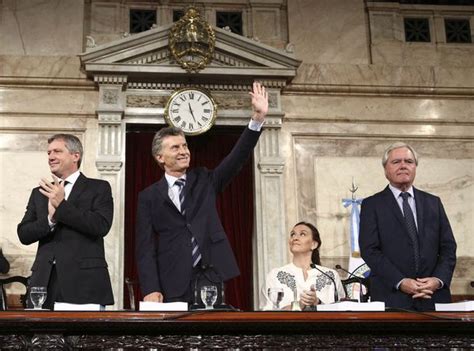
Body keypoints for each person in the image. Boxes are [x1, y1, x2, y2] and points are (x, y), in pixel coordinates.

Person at [136, 82, 268, 304]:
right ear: (160, 157)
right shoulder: (148, 196)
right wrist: (150, 288)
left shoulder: (205, 180)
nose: (183, 151)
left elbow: (237, 158)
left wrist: (257, 118)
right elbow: (144, 247)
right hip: (171, 278)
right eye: (175, 148)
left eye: (185, 146)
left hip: (210, 274)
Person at [17, 134, 114, 309]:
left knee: (86, 337)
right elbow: (24, 234)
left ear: (75, 156)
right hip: (44, 283)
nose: (51, 157)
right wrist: (50, 220)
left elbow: (100, 225)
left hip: (84, 284)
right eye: (48, 153)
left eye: (57, 151)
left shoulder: (99, 187)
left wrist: (61, 207)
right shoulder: (39, 193)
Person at [359, 142, 457, 311]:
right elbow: (370, 251)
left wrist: (437, 280)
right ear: (385, 170)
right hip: (392, 299)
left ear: (415, 167)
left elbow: (448, 248)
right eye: (396, 162)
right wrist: (401, 282)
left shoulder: (433, 203)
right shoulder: (372, 205)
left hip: (433, 299)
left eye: (409, 161)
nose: (403, 165)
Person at [260, 222, 345, 310]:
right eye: (292, 234)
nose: (295, 238)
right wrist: (298, 306)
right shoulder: (275, 275)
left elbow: (341, 310)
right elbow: (267, 312)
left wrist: (318, 302)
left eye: (302, 234)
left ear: (314, 244)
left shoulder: (330, 275)